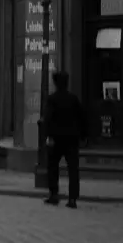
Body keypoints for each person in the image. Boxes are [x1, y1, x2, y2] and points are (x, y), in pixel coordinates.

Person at [43, 71, 87, 209]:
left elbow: (48, 119)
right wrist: (83, 136)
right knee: (73, 169)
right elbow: (82, 118)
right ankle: (72, 198)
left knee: (53, 167)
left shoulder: (52, 99)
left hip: (56, 139)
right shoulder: (73, 99)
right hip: (71, 139)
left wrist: (48, 136)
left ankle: (54, 194)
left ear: (56, 83)